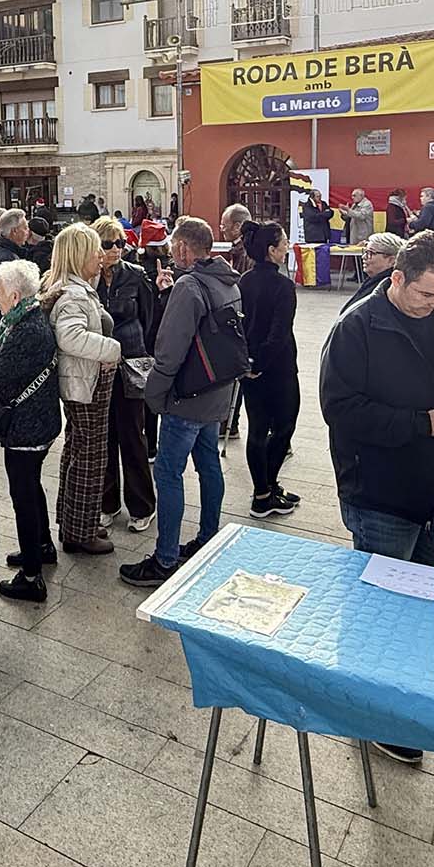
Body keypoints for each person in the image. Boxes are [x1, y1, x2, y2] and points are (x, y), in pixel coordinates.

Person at [317, 229, 434, 765]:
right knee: (377, 609)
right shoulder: (357, 328)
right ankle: (371, 713)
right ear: (395, 278)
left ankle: (406, 700)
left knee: (422, 606)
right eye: (426, 294)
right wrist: (422, 425)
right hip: (379, 494)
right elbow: (340, 410)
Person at [120, 218, 242, 588]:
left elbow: (169, 351)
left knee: (169, 472)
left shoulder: (189, 287)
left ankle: (166, 558)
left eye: (174, 247)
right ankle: (208, 536)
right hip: (215, 391)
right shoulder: (227, 280)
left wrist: (155, 396)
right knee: (208, 463)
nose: (171, 253)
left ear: (185, 249)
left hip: (187, 397)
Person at [43, 223, 124, 555]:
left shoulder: (74, 287)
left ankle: (76, 522)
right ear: (79, 255)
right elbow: (70, 338)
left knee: (79, 452)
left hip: (84, 382)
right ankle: (81, 531)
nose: (101, 255)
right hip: (86, 385)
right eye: (95, 249)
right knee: (90, 457)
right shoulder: (75, 293)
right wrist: (112, 349)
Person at [0, 259, 63, 602]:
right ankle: (42, 545)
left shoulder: (26, 330)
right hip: (39, 421)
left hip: (27, 428)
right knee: (32, 488)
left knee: (23, 497)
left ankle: (31, 576)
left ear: (15, 296)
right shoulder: (29, 318)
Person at [94, 216, 158, 534]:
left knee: (133, 436)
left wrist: (144, 355)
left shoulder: (135, 275)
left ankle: (142, 505)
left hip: (131, 364)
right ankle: (108, 503)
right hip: (99, 369)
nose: (116, 249)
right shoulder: (87, 279)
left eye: (120, 242)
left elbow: (149, 320)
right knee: (103, 437)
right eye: (109, 243)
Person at [238, 219, 300, 519]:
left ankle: (265, 490)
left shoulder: (244, 280)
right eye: (283, 243)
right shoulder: (283, 286)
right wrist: (260, 364)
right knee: (285, 426)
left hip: (249, 366)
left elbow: (237, 325)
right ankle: (264, 492)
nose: (287, 247)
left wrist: (248, 363)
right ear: (272, 251)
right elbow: (278, 333)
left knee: (258, 429)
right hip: (277, 367)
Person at [215, 203, 252, 440]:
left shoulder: (248, 252)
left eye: (225, 225)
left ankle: (231, 422)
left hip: (244, 321)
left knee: (238, 374)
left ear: (238, 226)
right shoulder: (240, 249)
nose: (222, 229)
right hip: (242, 319)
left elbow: (241, 286)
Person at [342, 232, 404, 313]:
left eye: (371, 253)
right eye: (365, 252)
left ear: (391, 260)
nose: (364, 257)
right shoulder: (374, 281)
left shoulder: (387, 289)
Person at [0, 209, 29, 297]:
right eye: (25, 228)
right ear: (14, 231)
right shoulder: (9, 259)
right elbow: (10, 297)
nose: (28, 232)